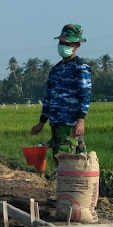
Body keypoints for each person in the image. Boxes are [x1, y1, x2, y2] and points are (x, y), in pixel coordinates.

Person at [30, 24, 91, 163]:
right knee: (59, 160)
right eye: (61, 42)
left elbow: (84, 95)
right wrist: (41, 122)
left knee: (70, 162)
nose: (63, 45)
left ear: (77, 45)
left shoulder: (80, 68)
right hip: (55, 122)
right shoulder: (55, 70)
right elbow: (48, 98)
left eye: (67, 43)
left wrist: (80, 120)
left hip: (70, 123)